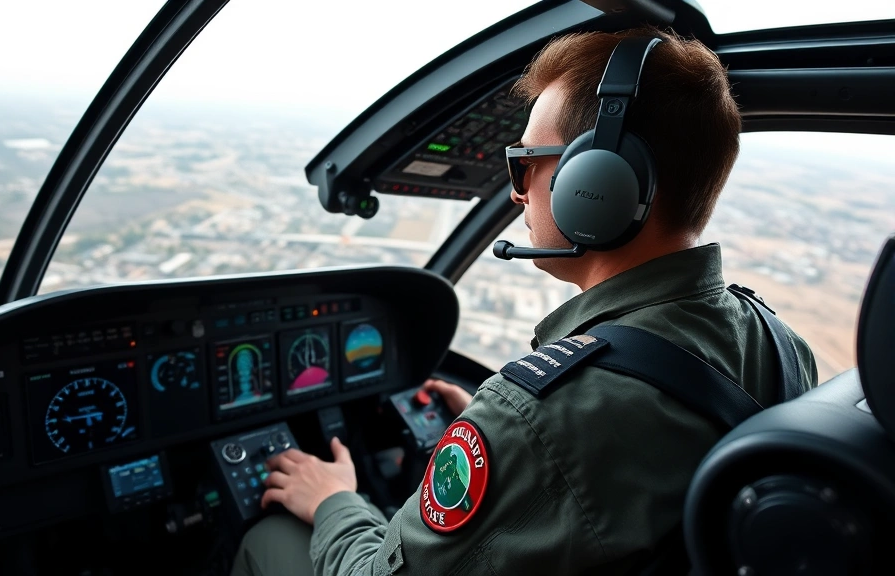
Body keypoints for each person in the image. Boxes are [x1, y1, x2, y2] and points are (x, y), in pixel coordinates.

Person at [231, 26, 818, 576]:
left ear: (600, 185)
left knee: (267, 537)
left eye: (525, 165)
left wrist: (334, 500)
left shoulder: (540, 413)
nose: (517, 194)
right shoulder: (781, 343)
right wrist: (502, 441)